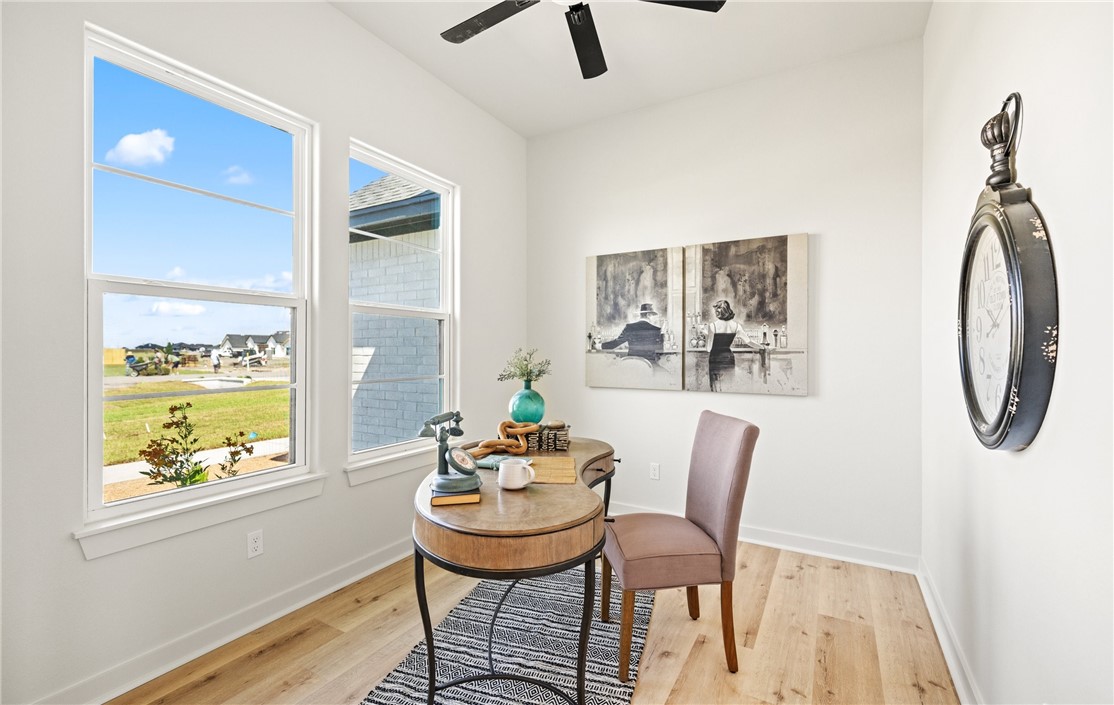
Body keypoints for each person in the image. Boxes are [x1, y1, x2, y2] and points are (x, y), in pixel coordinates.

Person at [705, 299, 758, 392]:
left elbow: (708, 348)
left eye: (716, 311)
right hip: (729, 358)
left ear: (719, 312)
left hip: (715, 359)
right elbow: (749, 341)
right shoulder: (736, 326)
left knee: (715, 389)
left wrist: (706, 334)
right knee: (729, 387)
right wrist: (763, 347)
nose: (715, 313)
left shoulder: (712, 326)